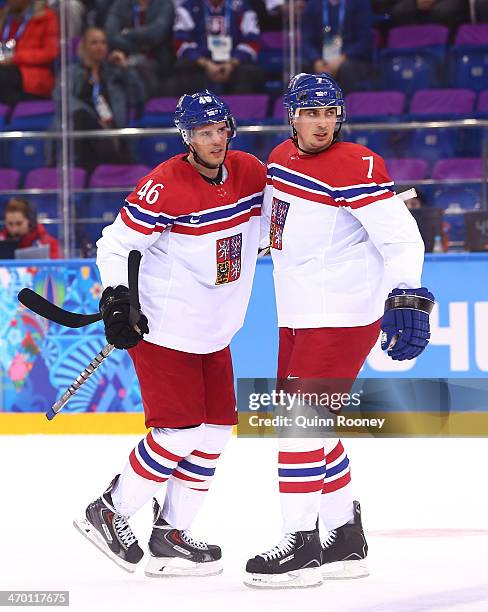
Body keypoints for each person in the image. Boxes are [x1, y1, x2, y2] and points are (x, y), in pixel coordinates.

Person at [244, 73, 435, 588]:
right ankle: (344, 538)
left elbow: (402, 239)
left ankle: (301, 543)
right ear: (292, 116)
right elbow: (276, 226)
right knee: (310, 426)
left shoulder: (358, 165)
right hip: (299, 314)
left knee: (298, 427)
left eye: (329, 113)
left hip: (341, 316)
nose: (322, 123)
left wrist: (406, 293)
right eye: (311, 113)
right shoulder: (281, 157)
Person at [73, 91, 267, 576]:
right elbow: (115, 244)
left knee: (217, 433)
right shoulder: (164, 185)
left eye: (221, 129)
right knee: (178, 433)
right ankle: (110, 510)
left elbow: (280, 220)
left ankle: (170, 535)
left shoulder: (249, 171)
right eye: (204, 132)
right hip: (164, 328)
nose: (216, 140)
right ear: (188, 138)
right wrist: (118, 298)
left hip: (215, 332)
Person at [53, 26, 146, 171]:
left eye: (103, 43)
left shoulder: (114, 72)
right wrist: (94, 120)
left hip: (113, 131)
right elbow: (61, 99)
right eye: (94, 43)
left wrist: (125, 69)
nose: (100, 47)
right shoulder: (71, 73)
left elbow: (139, 97)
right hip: (83, 136)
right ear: (83, 46)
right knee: (80, 116)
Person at [166, 0, 265, 96]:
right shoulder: (188, 7)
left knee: (250, 72)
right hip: (201, 62)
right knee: (183, 68)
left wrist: (231, 64)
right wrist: (206, 64)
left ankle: (241, 111)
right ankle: (193, 110)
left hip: (233, 62)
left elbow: (252, 41)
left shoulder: (242, 7)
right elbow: (181, 42)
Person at [301, 0, 374, 95]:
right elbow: (307, 41)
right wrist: (316, 60)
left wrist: (342, 59)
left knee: (347, 68)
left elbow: (365, 41)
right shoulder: (313, 5)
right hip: (320, 58)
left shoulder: (359, 3)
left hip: (350, 59)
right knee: (299, 67)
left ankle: (345, 105)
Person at [104, 0, 174, 97]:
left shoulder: (164, 4)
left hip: (155, 59)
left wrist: (128, 33)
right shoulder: (121, 4)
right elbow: (111, 34)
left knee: (138, 70)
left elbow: (156, 33)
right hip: (125, 55)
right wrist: (136, 48)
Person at [0, 0, 59, 109]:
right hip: (8, 70)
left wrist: (15, 59)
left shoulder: (46, 17)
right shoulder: (7, 16)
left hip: (34, 76)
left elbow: (50, 53)